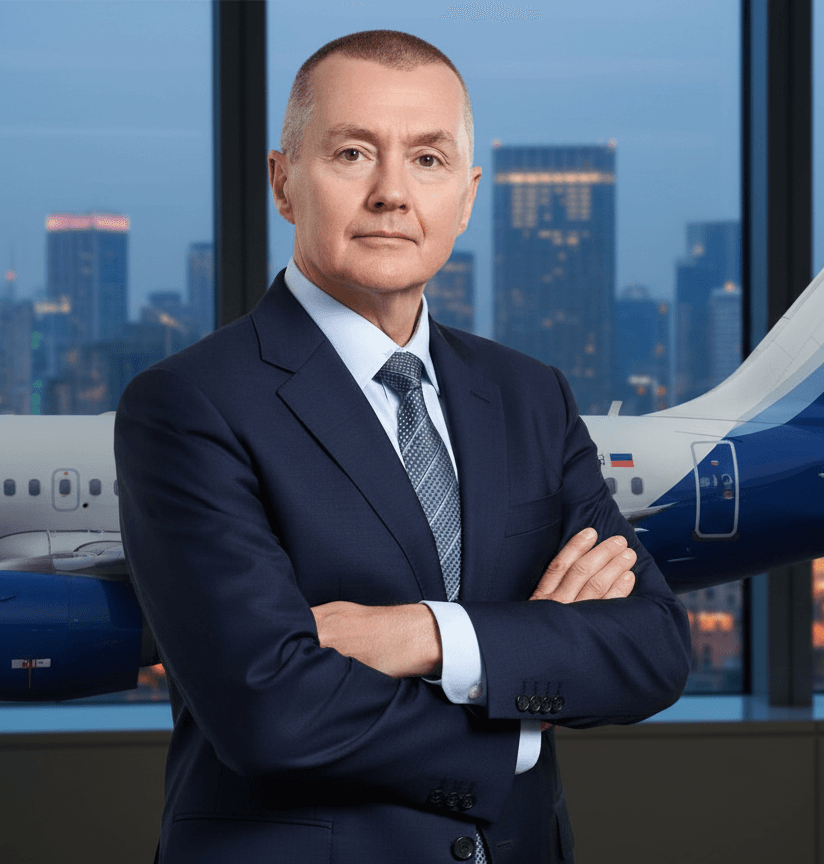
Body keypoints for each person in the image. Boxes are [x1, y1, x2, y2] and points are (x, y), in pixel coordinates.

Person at [114, 29, 691, 864]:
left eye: (428, 159)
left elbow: (654, 648)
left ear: (466, 194)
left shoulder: (530, 394)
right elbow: (269, 711)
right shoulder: (189, 404)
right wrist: (522, 700)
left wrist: (426, 634)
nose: (392, 192)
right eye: (353, 153)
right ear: (283, 181)